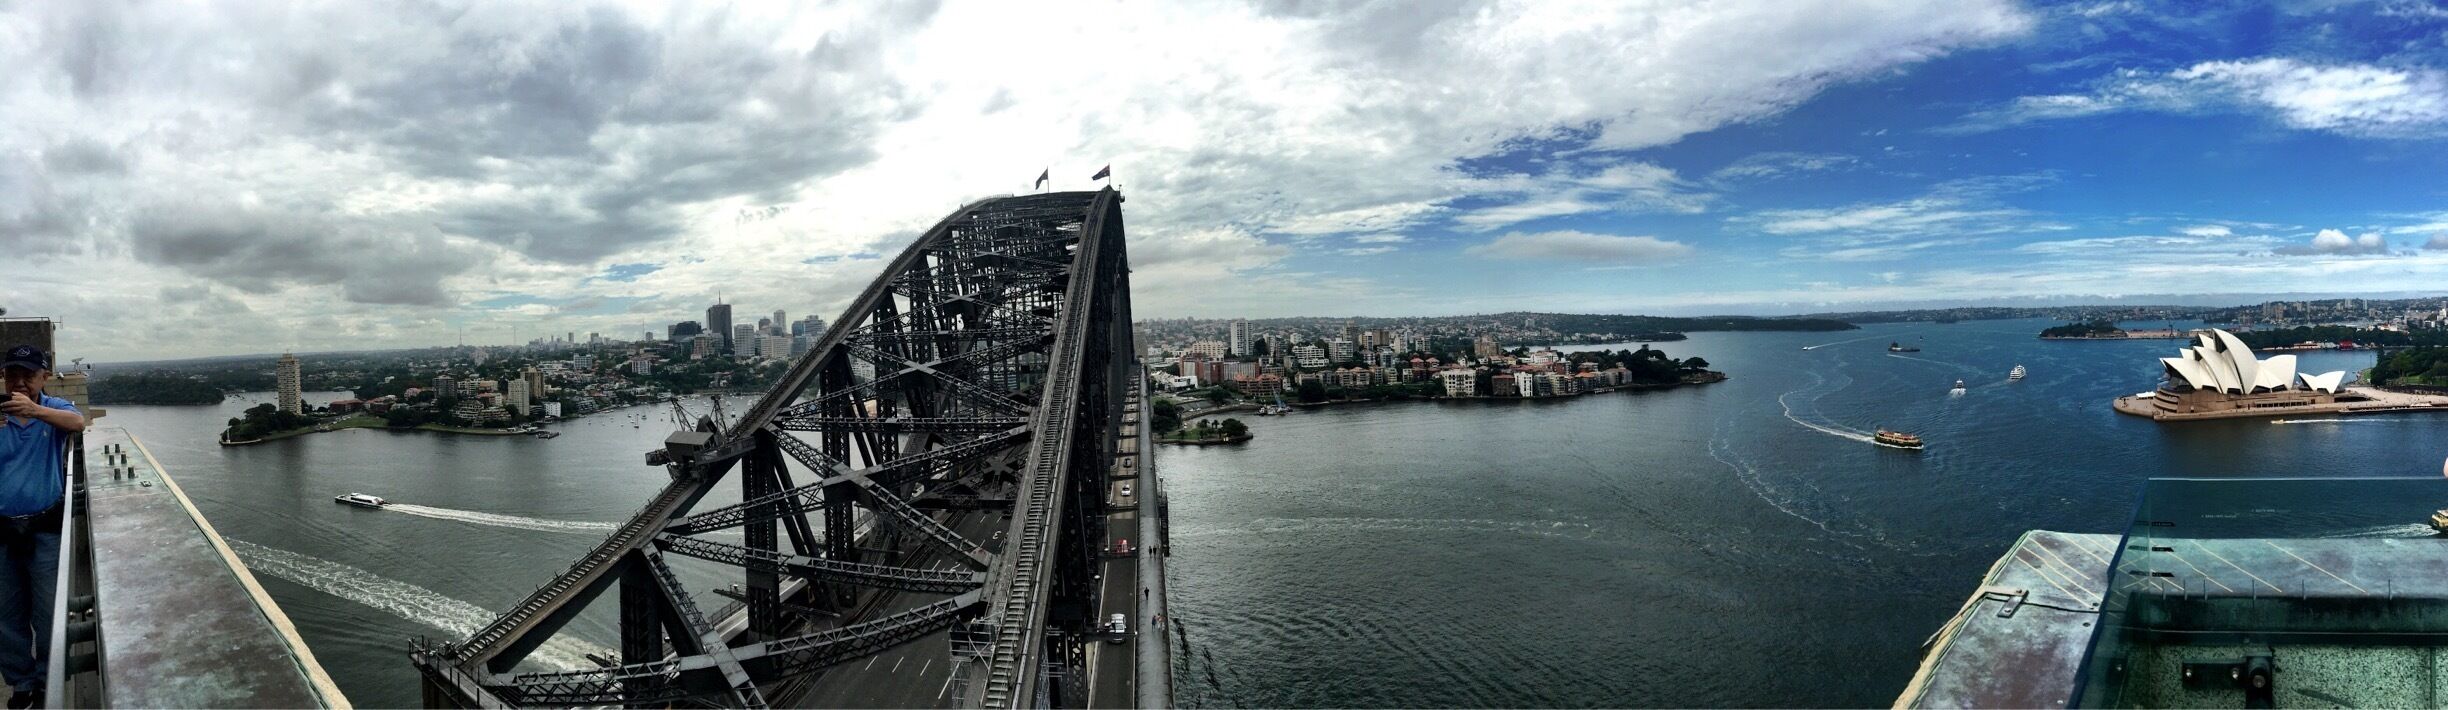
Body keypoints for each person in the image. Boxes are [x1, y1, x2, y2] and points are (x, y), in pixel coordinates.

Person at [0, 346, 79, 709]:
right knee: (7, 616)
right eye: (12, 374)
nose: (18, 382)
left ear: (43, 377)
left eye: (27, 375)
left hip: (44, 529)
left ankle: (48, 681)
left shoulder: (55, 410)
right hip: (2, 532)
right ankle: (22, 684)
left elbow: (78, 423)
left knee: (48, 613)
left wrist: (35, 411)